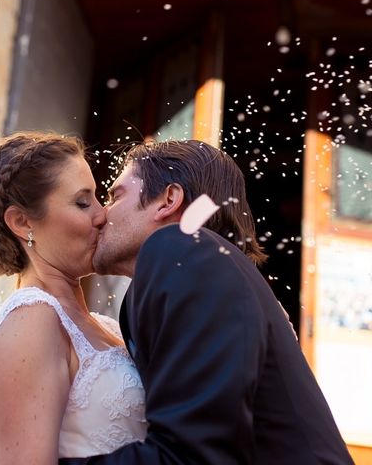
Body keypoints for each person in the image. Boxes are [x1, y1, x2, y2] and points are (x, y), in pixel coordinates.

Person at [61, 139, 354, 464]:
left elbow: (189, 455)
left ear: (167, 200)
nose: (101, 215)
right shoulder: (185, 269)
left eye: (115, 196)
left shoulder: (180, 249)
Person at [0, 131, 148, 463]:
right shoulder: (31, 319)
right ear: (22, 222)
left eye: (98, 198)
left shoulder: (104, 324)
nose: (102, 215)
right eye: (83, 202)